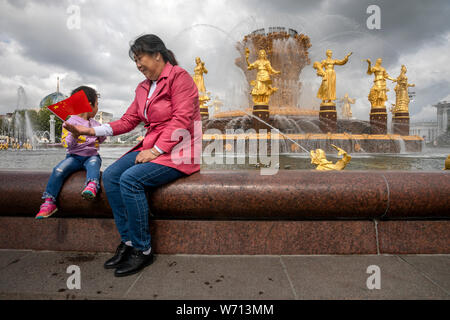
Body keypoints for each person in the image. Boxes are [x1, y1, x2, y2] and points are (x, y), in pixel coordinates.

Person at [64, 34, 201, 277]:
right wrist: (89, 130)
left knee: (131, 179)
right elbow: (128, 121)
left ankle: (143, 249)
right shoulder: (142, 87)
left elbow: (182, 119)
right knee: (113, 175)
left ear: (157, 54)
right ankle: (128, 242)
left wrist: (156, 151)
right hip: (151, 145)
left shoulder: (180, 77)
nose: (138, 65)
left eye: (140, 58)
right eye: (135, 61)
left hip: (180, 150)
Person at [36, 86, 105, 219]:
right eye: (97, 104)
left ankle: (91, 186)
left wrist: (101, 133)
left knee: (94, 163)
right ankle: (49, 201)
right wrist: (74, 134)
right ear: (89, 104)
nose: (97, 109)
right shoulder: (70, 123)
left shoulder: (95, 124)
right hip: (73, 157)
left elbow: (100, 140)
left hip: (91, 156)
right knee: (58, 170)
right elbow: (68, 144)